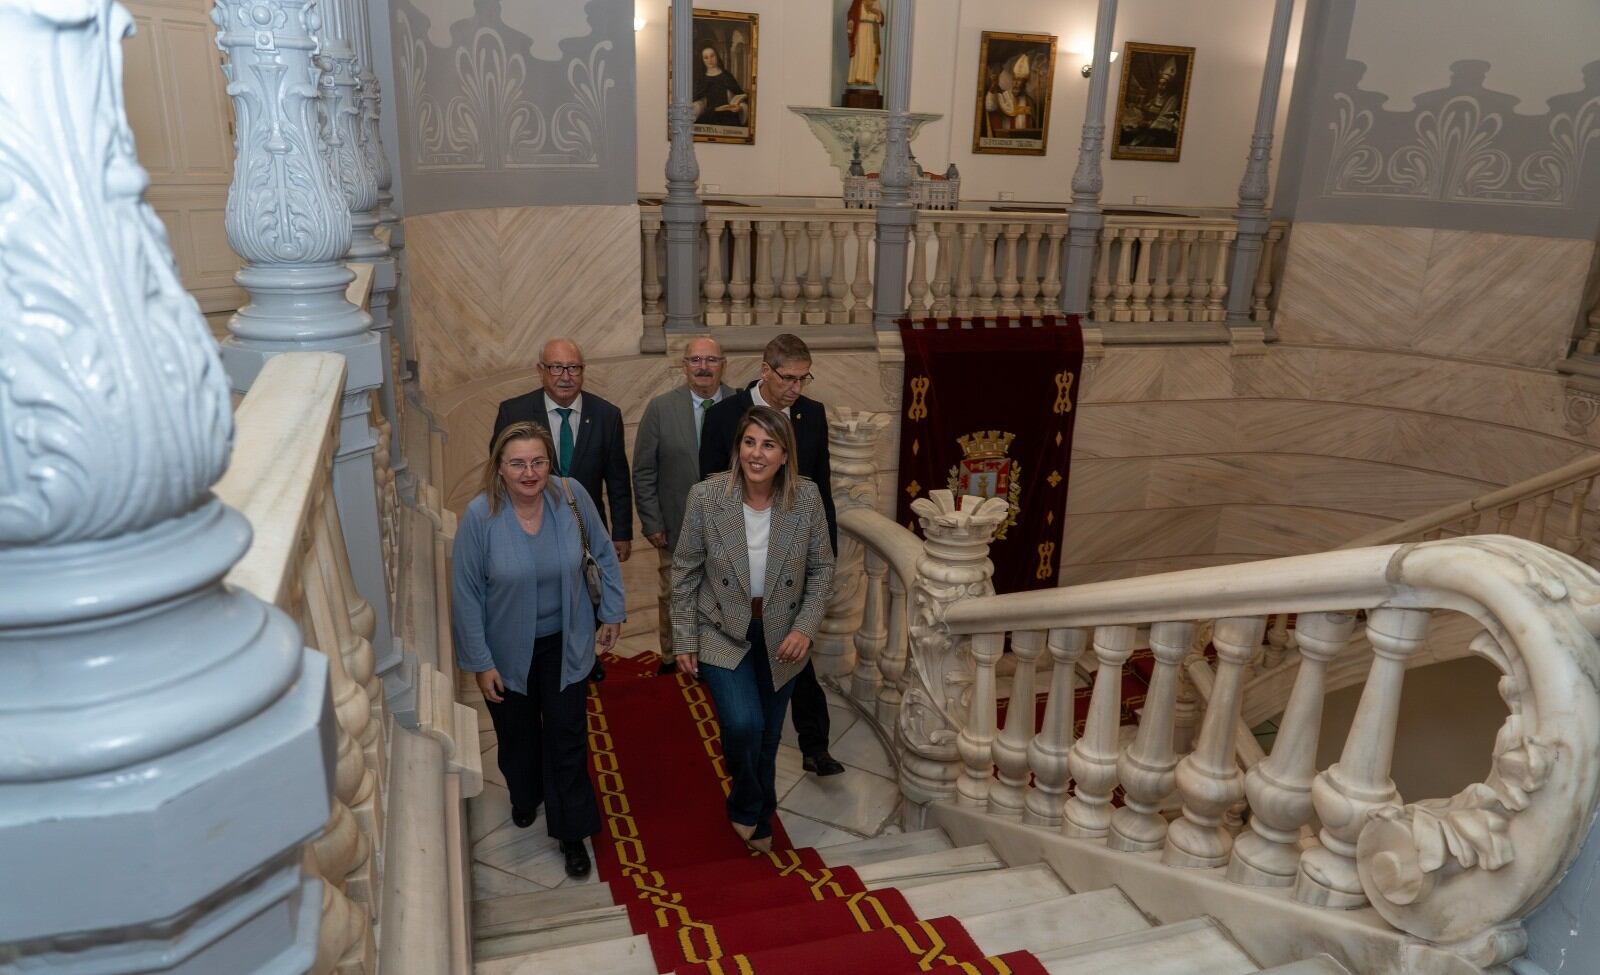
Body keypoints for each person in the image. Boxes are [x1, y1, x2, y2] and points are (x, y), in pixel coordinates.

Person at [453, 421, 626, 879]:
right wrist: (480, 662)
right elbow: (467, 593)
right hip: (506, 649)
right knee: (518, 738)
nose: (529, 473)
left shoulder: (571, 496)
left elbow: (603, 553)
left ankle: (572, 833)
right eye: (517, 463)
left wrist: (612, 611)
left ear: (550, 463)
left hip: (566, 642)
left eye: (538, 462)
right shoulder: (479, 516)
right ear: (499, 467)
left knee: (567, 737)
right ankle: (525, 793)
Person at [672, 406, 835, 852]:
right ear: (737, 447)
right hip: (721, 629)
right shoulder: (706, 497)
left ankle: (755, 811)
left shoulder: (806, 497)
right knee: (743, 724)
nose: (756, 454)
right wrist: (684, 637)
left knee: (768, 733)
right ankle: (751, 804)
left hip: (784, 634)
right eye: (749, 442)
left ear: (784, 455)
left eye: (768, 445)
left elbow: (822, 570)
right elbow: (685, 570)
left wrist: (804, 628)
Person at [699, 334, 844, 777]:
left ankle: (814, 745)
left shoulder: (812, 414)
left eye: (804, 378)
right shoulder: (724, 416)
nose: (797, 388)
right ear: (765, 370)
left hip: (794, 562)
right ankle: (745, 751)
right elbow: (709, 491)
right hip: (740, 568)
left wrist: (826, 552)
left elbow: (821, 487)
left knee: (797, 657)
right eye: (788, 378)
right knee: (754, 678)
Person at [492, 338, 633, 681]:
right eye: (557, 367)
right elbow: (499, 472)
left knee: (587, 588)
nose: (565, 376)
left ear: (583, 371)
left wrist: (622, 532)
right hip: (530, 522)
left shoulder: (606, 414)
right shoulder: (513, 412)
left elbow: (617, 478)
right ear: (541, 371)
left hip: (585, 525)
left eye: (573, 368)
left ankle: (583, 655)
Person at [633, 336, 734, 674]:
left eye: (711, 360)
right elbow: (644, 471)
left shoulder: (740, 405)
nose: (703, 367)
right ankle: (672, 656)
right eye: (696, 360)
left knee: (723, 594)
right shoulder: (660, 408)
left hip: (731, 527)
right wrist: (652, 522)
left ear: (723, 364)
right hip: (675, 526)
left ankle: (716, 655)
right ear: (684, 365)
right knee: (675, 594)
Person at [692, 46, 748, 126]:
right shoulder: (701, 79)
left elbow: (740, 96)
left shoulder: (727, 76)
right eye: (706, 58)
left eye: (712, 56)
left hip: (728, 115)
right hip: (709, 116)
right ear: (702, 60)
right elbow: (696, 100)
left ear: (717, 56)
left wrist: (740, 107)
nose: (710, 60)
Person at [845, 0, 884, 87]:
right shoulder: (857, 1)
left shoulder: (875, 1)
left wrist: (878, 15)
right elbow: (851, 13)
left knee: (870, 53)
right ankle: (856, 77)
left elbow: (880, 17)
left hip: (871, 31)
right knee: (860, 53)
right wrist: (851, 21)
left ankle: (868, 78)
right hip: (860, 31)